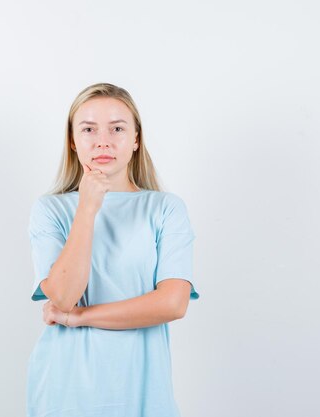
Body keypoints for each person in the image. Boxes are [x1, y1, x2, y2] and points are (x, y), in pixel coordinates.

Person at [27, 82, 199, 417]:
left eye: (117, 128)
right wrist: (88, 208)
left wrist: (78, 318)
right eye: (89, 129)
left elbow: (173, 303)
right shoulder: (50, 210)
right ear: (73, 141)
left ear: (135, 139)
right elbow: (63, 295)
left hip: (143, 392)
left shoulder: (166, 209)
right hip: (66, 392)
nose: (103, 140)